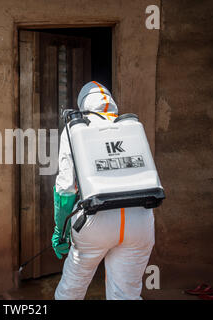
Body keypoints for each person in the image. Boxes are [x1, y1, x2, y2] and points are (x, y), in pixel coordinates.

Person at [52, 81, 155, 300]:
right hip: (141, 221)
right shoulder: (130, 126)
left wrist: (60, 231)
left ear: (83, 104)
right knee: (125, 295)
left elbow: (65, 187)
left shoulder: (76, 128)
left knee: (71, 291)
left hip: (95, 221)